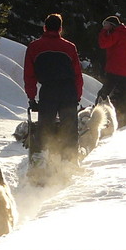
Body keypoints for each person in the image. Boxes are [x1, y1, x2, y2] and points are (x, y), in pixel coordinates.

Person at [23, 13, 83, 163]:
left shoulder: (34, 47)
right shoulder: (69, 47)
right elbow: (77, 74)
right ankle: (69, 161)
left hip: (48, 90)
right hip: (68, 90)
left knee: (45, 127)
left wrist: (31, 97)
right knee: (69, 128)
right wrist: (77, 95)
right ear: (60, 28)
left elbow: (29, 75)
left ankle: (42, 159)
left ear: (44, 27)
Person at [95, 15, 126, 125]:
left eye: (106, 24)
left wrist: (103, 32)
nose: (105, 26)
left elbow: (103, 43)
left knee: (104, 94)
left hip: (115, 70)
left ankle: (95, 115)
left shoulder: (117, 34)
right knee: (125, 96)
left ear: (112, 25)